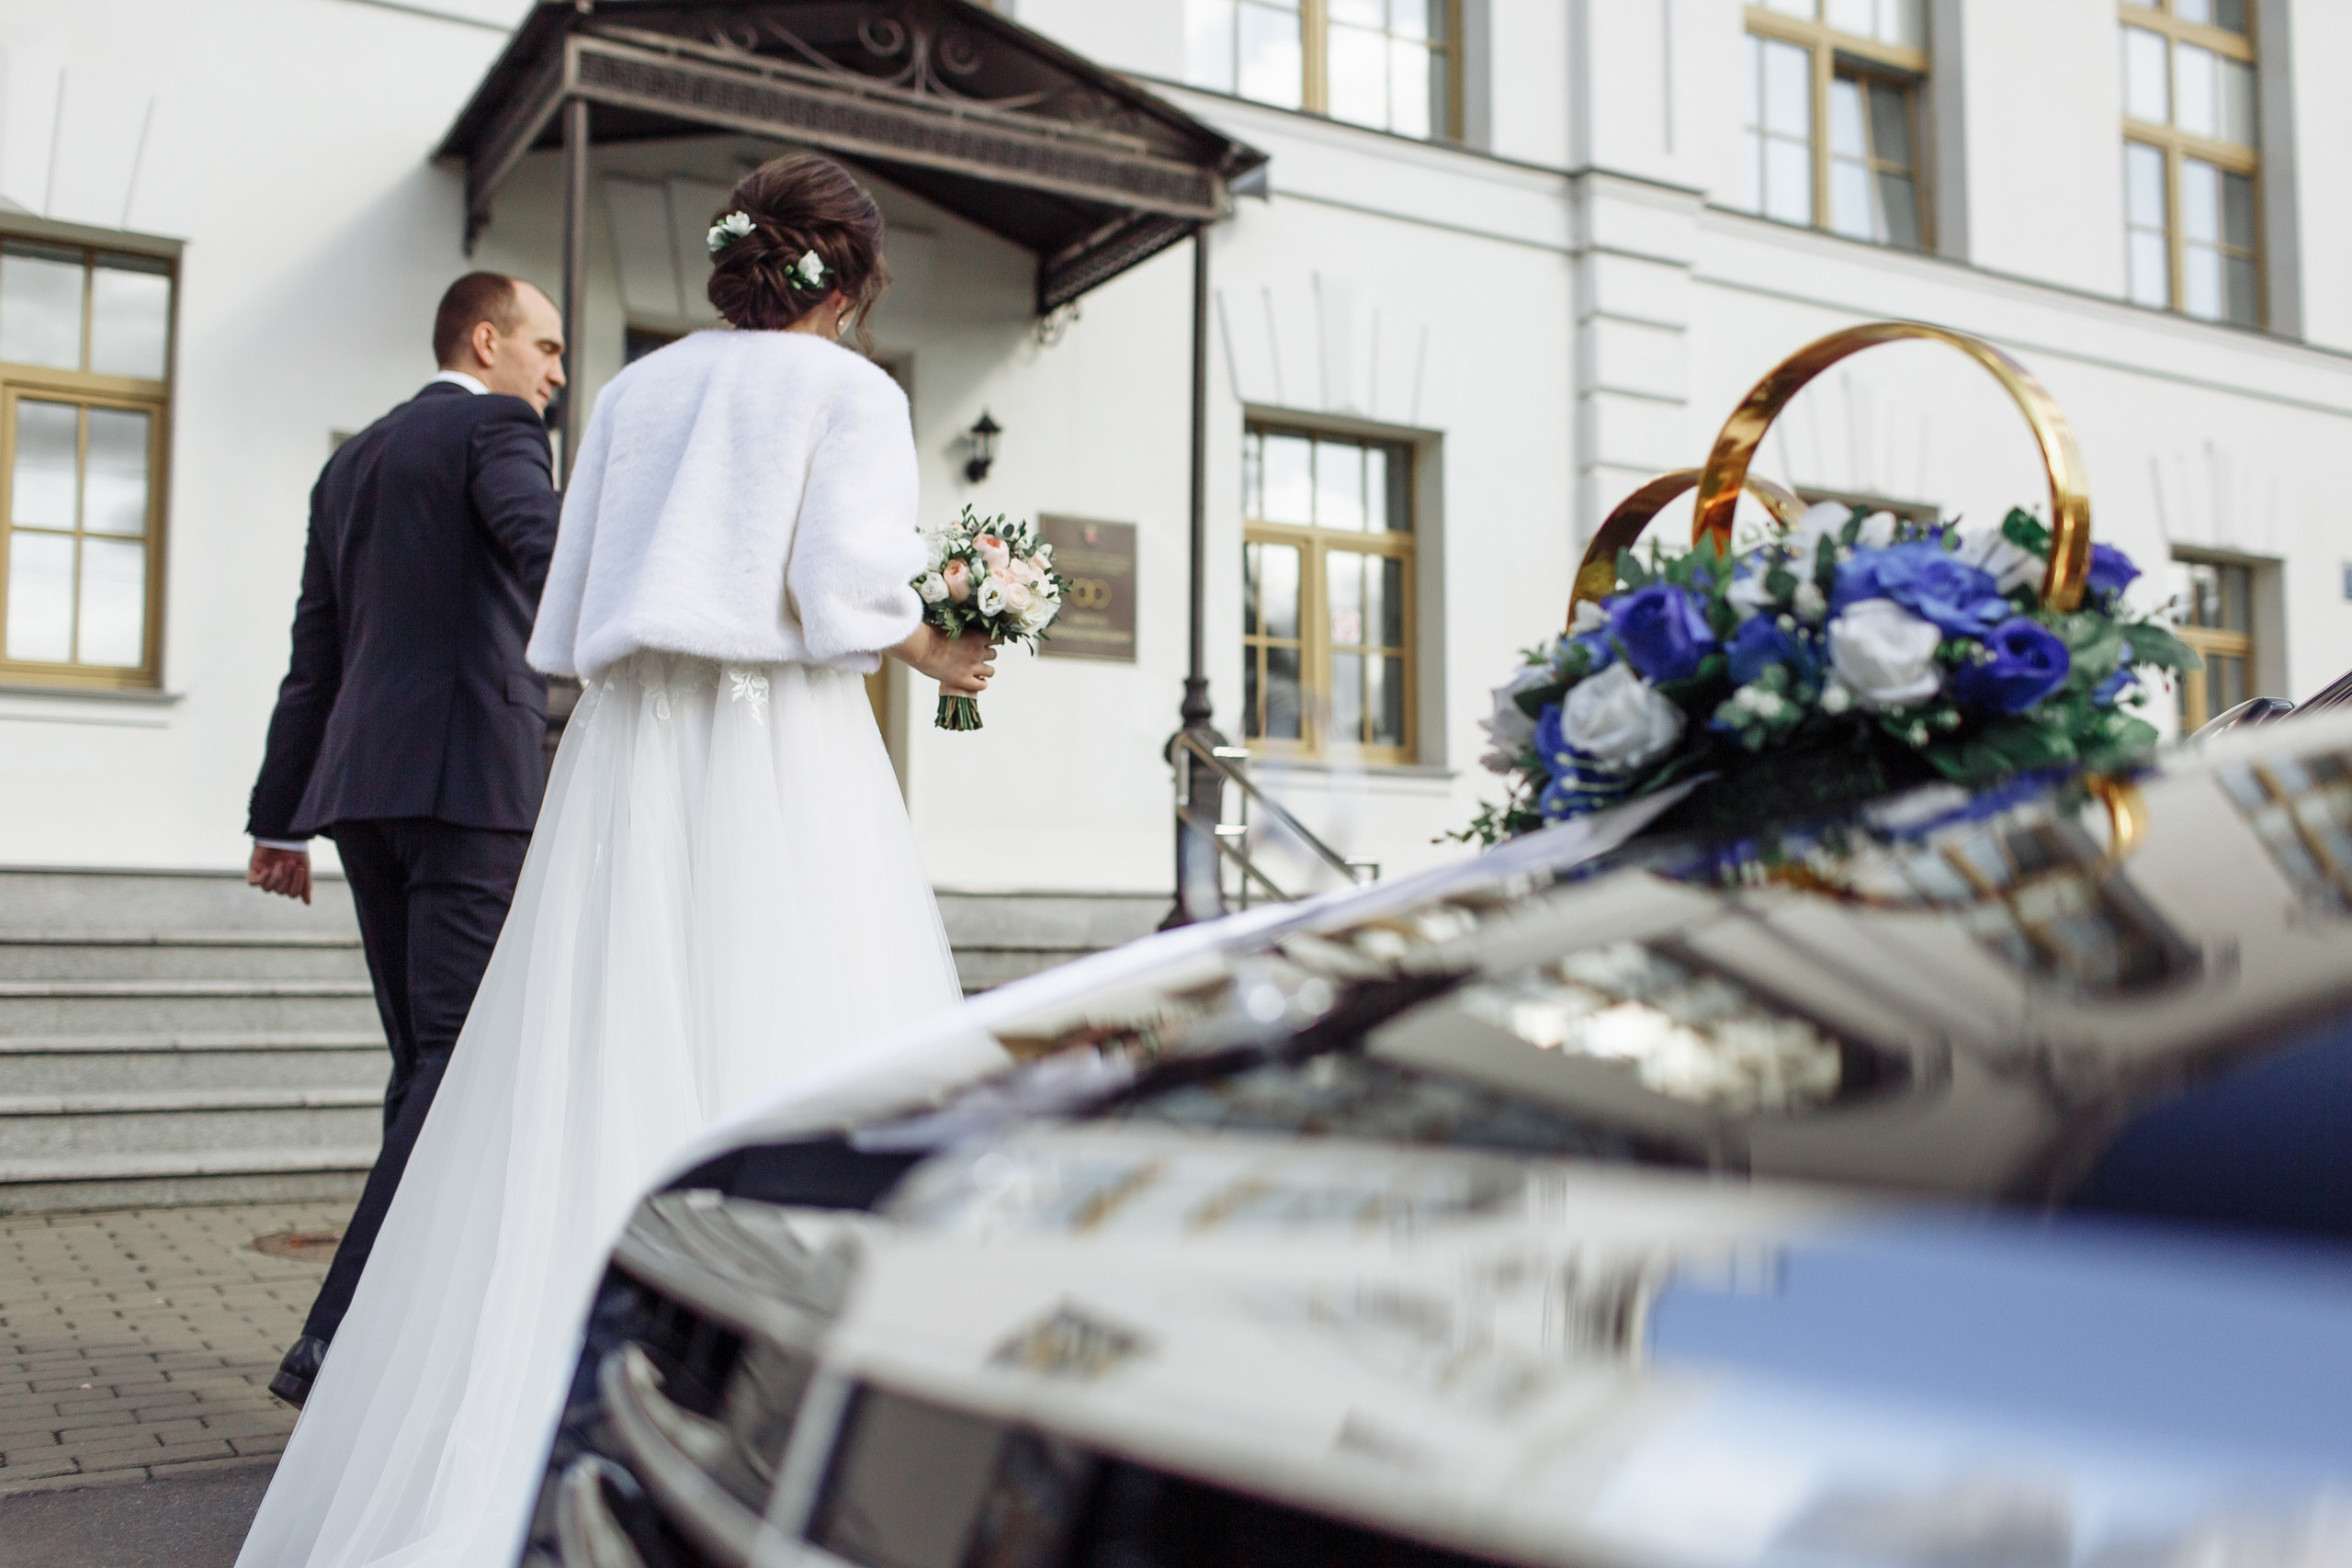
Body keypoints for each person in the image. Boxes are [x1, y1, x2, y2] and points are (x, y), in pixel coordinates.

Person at [236, 152, 990, 1567]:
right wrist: (945, 644)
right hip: (779, 751)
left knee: (578, 1055)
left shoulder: (635, 391)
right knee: (799, 1020)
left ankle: (521, 1395)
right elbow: (842, 589)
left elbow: (570, 596)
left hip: (627, 752)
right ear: (850, 282)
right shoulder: (850, 392)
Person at [244, 272, 566, 1409]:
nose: (556, 372)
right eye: (546, 346)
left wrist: (278, 818)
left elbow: (314, 654)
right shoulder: (498, 423)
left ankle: (391, 1337)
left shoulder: (354, 460)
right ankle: (338, 1340)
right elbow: (548, 555)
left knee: (424, 1063)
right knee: (454, 1059)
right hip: (469, 780)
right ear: (486, 341)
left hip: (361, 795)